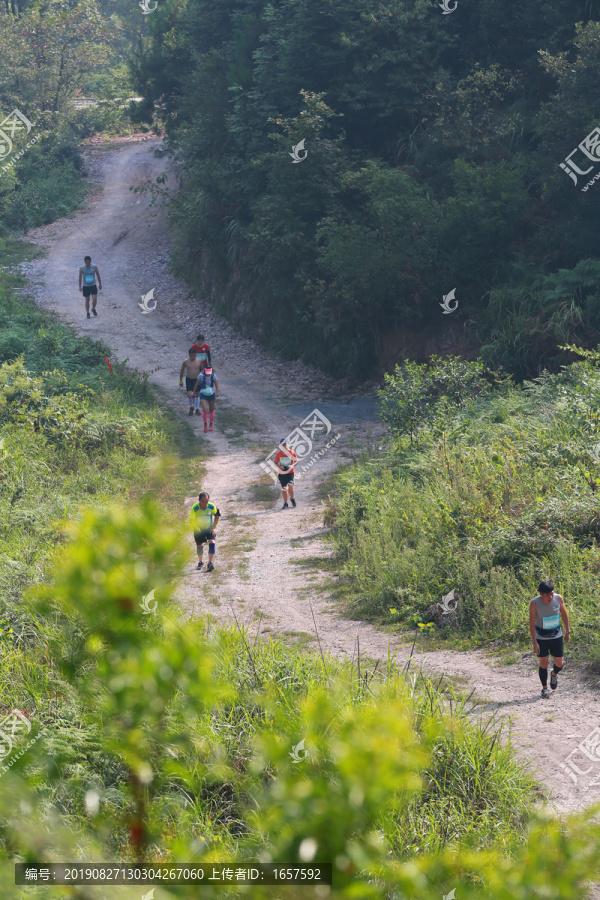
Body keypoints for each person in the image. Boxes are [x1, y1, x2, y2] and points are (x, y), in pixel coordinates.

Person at [529, 580, 571, 699]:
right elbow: (532, 623)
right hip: (541, 637)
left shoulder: (559, 598)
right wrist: (534, 642)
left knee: (559, 663)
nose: (551, 597)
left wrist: (568, 631)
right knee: (543, 662)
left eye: (552, 593)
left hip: (556, 635)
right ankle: (544, 688)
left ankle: (553, 674)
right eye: (548, 595)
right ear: (541, 594)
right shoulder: (534, 603)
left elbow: (564, 614)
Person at [189, 491, 220, 571]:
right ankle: (200, 562)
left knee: (212, 543)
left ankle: (210, 563)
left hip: (209, 528)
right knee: (199, 545)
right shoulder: (194, 508)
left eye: (206, 501)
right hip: (198, 529)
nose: (204, 503)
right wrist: (196, 528)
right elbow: (191, 521)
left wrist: (214, 528)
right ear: (199, 500)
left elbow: (217, 515)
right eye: (203, 501)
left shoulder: (211, 506)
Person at [179, 349, 205, 416]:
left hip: (197, 380)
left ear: (195, 354)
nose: (192, 357)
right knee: (189, 395)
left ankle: (197, 408)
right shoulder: (185, 362)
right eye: (191, 356)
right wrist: (180, 380)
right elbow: (182, 371)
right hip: (189, 379)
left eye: (194, 355)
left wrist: (201, 374)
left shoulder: (199, 361)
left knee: (197, 394)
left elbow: (202, 369)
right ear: (189, 355)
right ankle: (191, 407)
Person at [274, 439, 298, 509]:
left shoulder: (291, 452)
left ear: (287, 444)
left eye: (285, 444)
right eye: (282, 445)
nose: (284, 446)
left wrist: (292, 465)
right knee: (284, 489)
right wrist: (280, 467)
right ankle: (285, 503)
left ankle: (292, 498)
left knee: (291, 487)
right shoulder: (278, 454)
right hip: (282, 473)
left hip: (290, 473)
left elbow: (296, 461)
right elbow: (275, 462)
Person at [193, 366, 219, 432]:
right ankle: (205, 424)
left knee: (211, 409)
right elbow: (196, 384)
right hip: (203, 394)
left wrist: (217, 395)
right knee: (205, 410)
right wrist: (194, 392)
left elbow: (217, 386)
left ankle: (210, 424)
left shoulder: (213, 376)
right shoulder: (201, 376)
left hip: (211, 394)